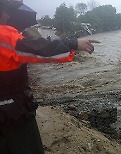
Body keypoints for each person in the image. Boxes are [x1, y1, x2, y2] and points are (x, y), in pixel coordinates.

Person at [0, 2, 100, 154]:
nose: (7, 15)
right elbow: (39, 50)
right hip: (13, 111)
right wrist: (73, 43)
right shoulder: (4, 36)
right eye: (4, 11)